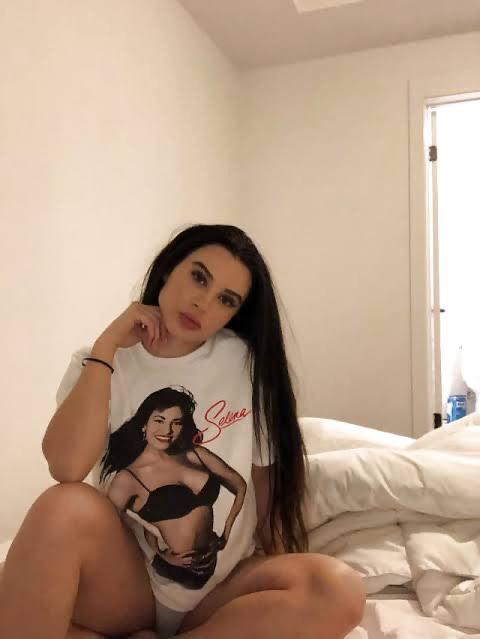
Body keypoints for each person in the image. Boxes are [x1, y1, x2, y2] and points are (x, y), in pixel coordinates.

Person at [0, 224, 366, 639]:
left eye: (226, 300)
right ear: (168, 268)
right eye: (199, 277)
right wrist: (105, 349)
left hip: (217, 594)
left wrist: (279, 583)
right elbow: (66, 467)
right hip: (126, 588)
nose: (202, 303)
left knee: (338, 589)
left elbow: (265, 488)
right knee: (60, 507)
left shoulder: (246, 365)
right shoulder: (101, 363)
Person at [103, 386, 246, 590]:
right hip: (171, 571)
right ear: (144, 424)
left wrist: (226, 534)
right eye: (159, 420)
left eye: (176, 423)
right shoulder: (127, 479)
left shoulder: (196, 455)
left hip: (212, 564)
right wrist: (160, 556)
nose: (167, 431)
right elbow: (110, 535)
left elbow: (240, 485)